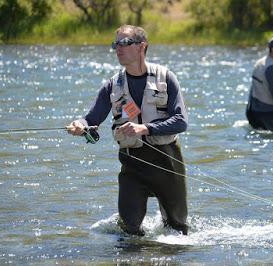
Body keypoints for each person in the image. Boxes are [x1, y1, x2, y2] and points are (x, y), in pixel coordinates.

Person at [66, 25, 188, 236]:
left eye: (124, 43)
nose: (118, 49)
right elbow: (91, 119)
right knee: (129, 230)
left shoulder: (166, 78)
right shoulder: (112, 86)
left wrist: (145, 128)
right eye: (116, 44)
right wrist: (80, 125)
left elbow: (181, 121)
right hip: (132, 165)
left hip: (168, 164)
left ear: (142, 46)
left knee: (177, 230)